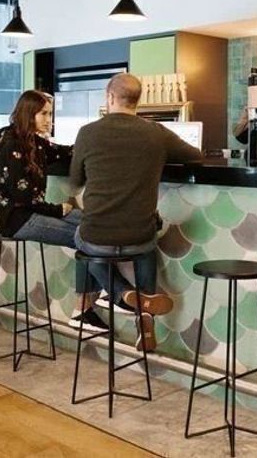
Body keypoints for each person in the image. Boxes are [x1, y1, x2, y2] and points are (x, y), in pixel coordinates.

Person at [69, 73, 203, 352]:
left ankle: (122, 294)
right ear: (138, 100)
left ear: (109, 97)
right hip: (139, 237)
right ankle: (146, 315)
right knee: (146, 245)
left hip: (97, 236)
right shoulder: (156, 133)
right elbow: (195, 155)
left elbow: (75, 179)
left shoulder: (88, 132)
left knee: (81, 242)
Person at [0, 90, 94, 326]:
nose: (49, 119)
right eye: (43, 113)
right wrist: (58, 210)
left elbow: (64, 152)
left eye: (50, 114)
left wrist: (95, 143)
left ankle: (103, 297)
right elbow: (23, 196)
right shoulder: (10, 144)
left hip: (34, 213)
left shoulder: (34, 142)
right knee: (88, 236)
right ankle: (85, 308)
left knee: (94, 224)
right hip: (16, 220)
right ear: (28, 113)